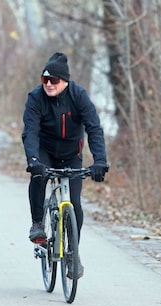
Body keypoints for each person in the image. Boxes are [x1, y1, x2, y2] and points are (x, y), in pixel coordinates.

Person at [21, 52, 108, 279]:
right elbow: (30, 131)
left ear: (65, 81)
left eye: (54, 80)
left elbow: (94, 129)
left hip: (71, 153)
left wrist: (99, 161)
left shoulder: (79, 96)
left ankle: (73, 253)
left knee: (75, 203)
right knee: (39, 177)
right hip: (45, 151)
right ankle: (38, 223)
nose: (48, 84)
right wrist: (33, 160)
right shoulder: (35, 97)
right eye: (45, 80)